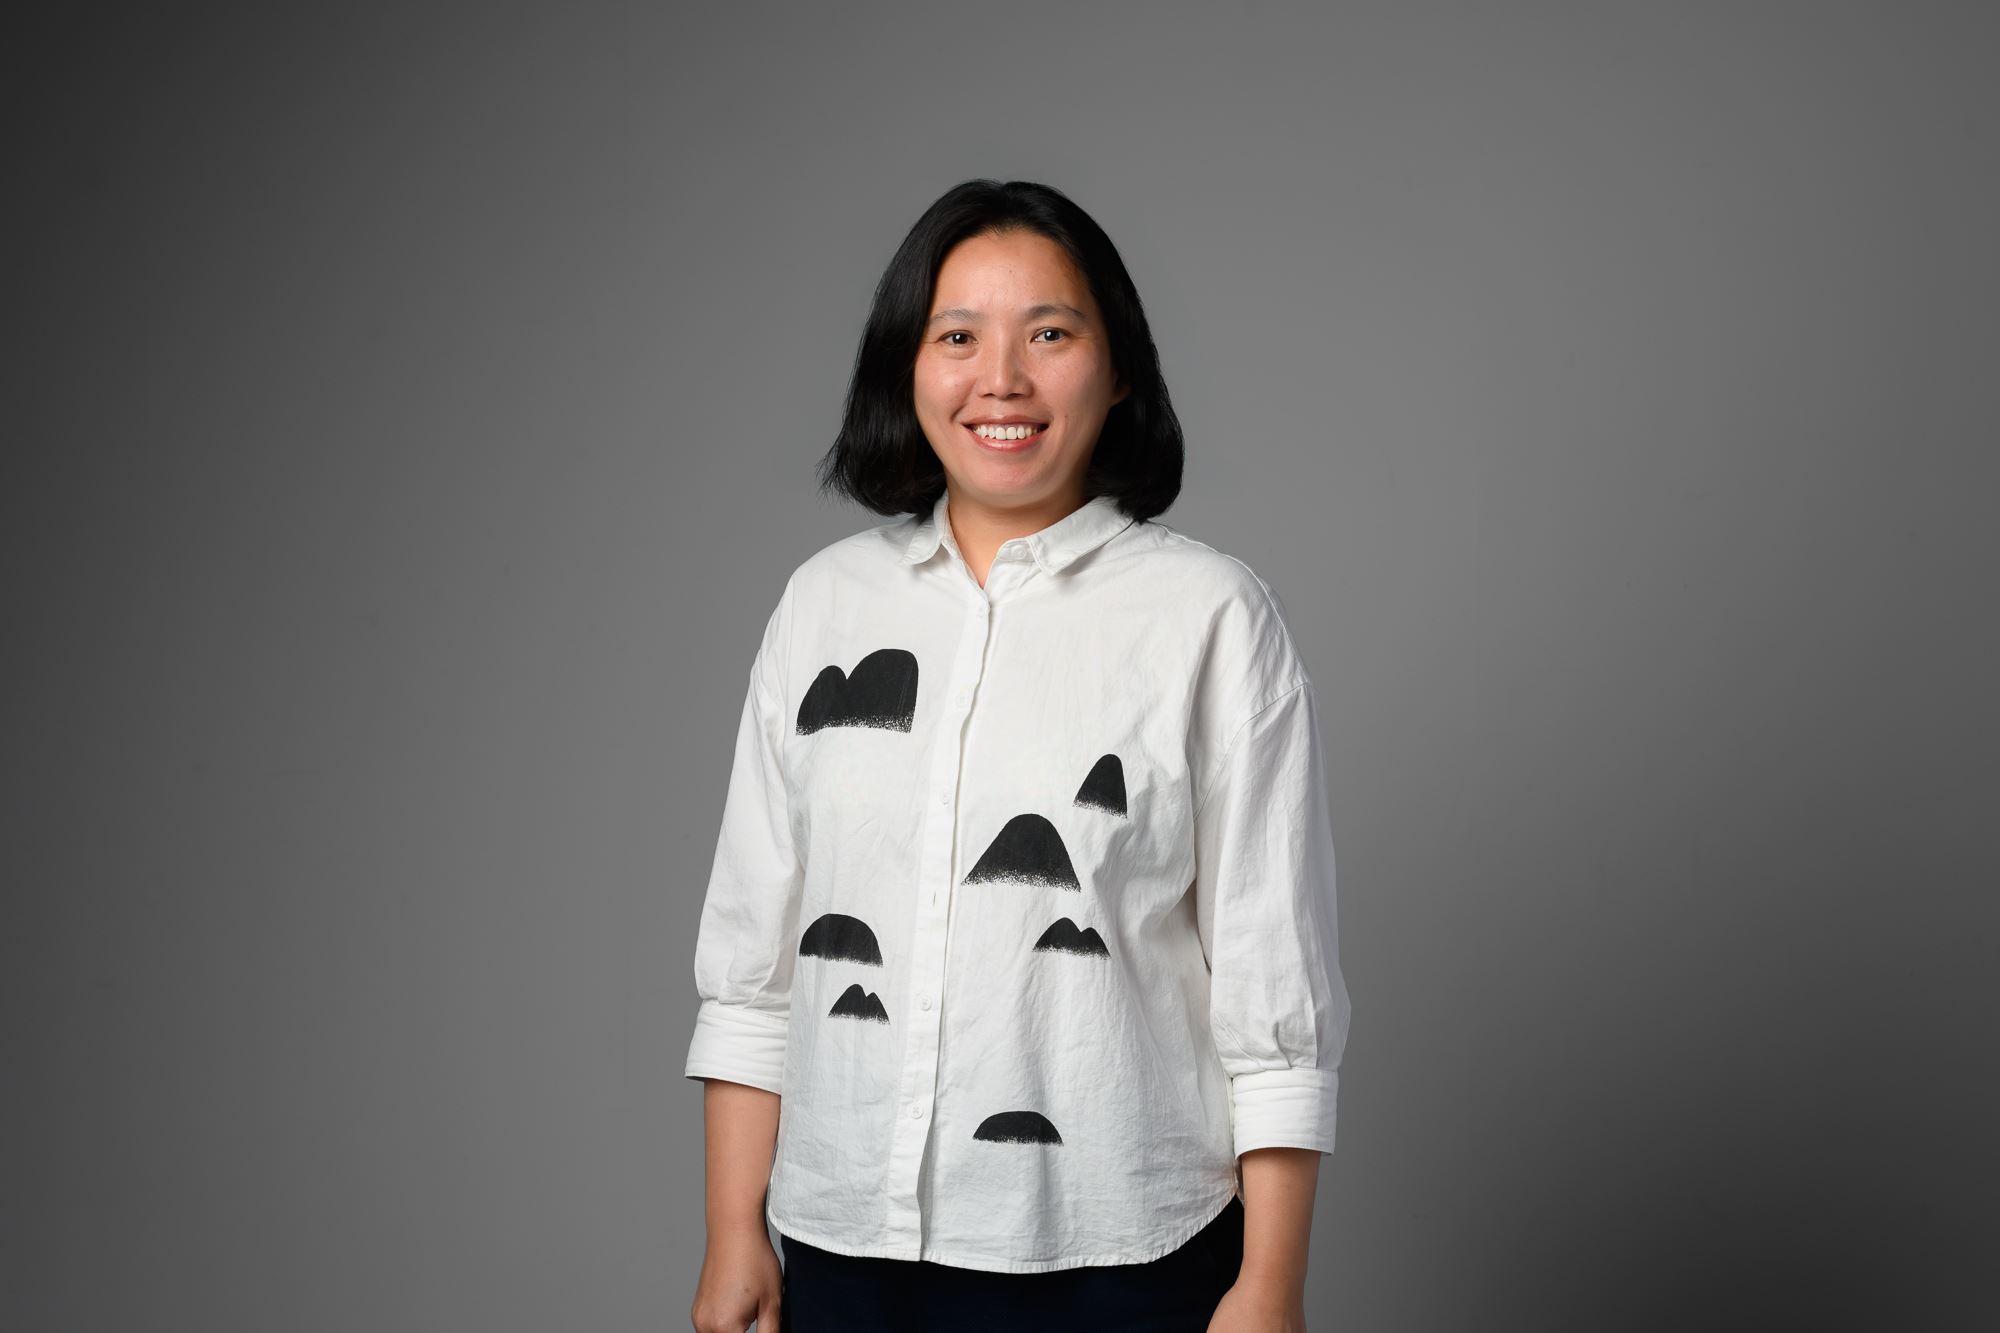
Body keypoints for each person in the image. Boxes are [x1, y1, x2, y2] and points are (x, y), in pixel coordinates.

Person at [684, 179, 1351, 1333]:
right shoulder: (821, 608)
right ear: (906, 366)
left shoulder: (1208, 618)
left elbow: (1272, 978)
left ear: (1118, 367)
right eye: (956, 337)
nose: (1000, 379)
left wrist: (1269, 1284)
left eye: (1048, 333)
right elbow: (754, 958)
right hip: (843, 1253)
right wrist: (732, 1228)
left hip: (1128, 1262)